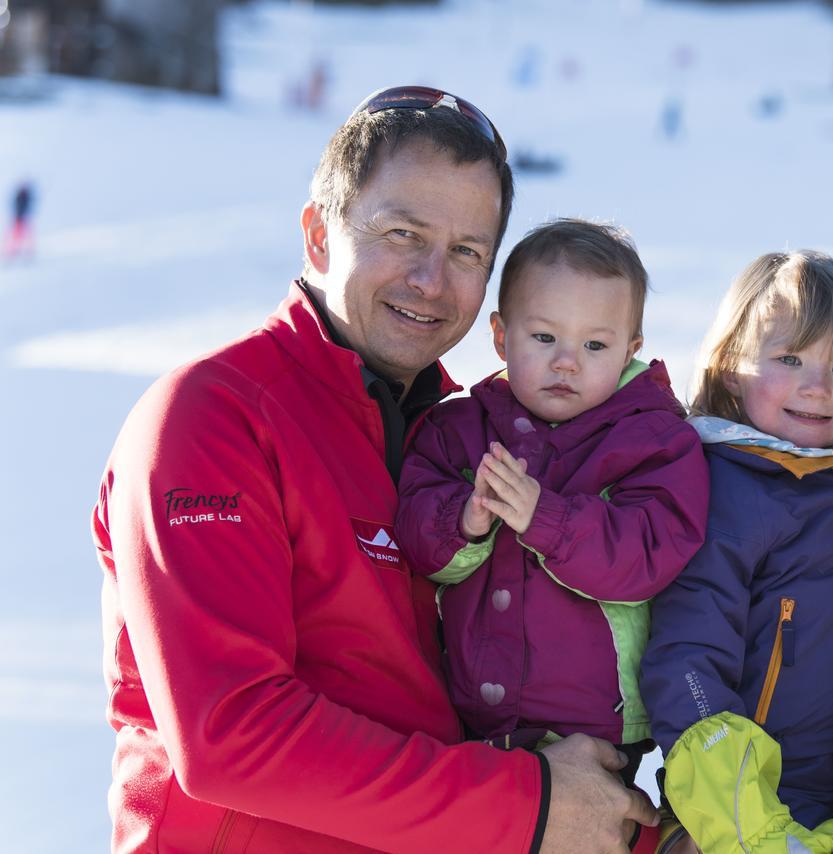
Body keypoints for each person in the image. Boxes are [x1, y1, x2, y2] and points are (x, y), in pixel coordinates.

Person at [92, 86, 658, 853]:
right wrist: (525, 804)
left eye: (466, 252)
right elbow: (232, 735)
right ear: (319, 235)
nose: (431, 278)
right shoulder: (214, 417)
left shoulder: (467, 440)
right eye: (402, 233)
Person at [394, 218, 710, 834]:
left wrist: (547, 518)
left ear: (630, 347)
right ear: (501, 335)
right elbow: (415, 528)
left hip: (595, 725)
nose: (567, 363)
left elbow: (647, 555)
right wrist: (466, 520)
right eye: (544, 337)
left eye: (595, 346)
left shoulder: (655, 440)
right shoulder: (457, 428)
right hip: (470, 718)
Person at [641, 251, 833, 854]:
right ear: (731, 369)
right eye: (790, 358)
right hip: (745, 812)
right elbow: (687, 659)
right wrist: (734, 819)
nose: (817, 386)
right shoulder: (727, 493)